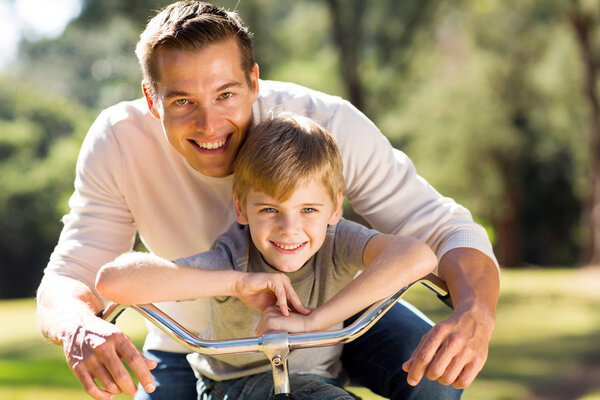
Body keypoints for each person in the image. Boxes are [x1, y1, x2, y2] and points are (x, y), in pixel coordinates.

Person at [36, 1, 499, 400]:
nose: (209, 123)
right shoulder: (119, 141)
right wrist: (79, 323)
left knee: (435, 373)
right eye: (182, 102)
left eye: (226, 94)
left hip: (333, 309)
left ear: (253, 82)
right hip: (195, 344)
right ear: (152, 99)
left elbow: (442, 230)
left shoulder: (323, 125)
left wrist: (475, 311)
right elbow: (75, 277)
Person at [95, 113, 438, 400]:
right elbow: (112, 281)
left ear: (334, 208)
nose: (290, 229)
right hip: (232, 387)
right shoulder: (234, 255)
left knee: (434, 371)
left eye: (307, 209)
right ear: (241, 208)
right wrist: (239, 283)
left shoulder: (339, 240)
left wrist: (311, 322)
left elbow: (417, 255)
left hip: (322, 384)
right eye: (271, 209)